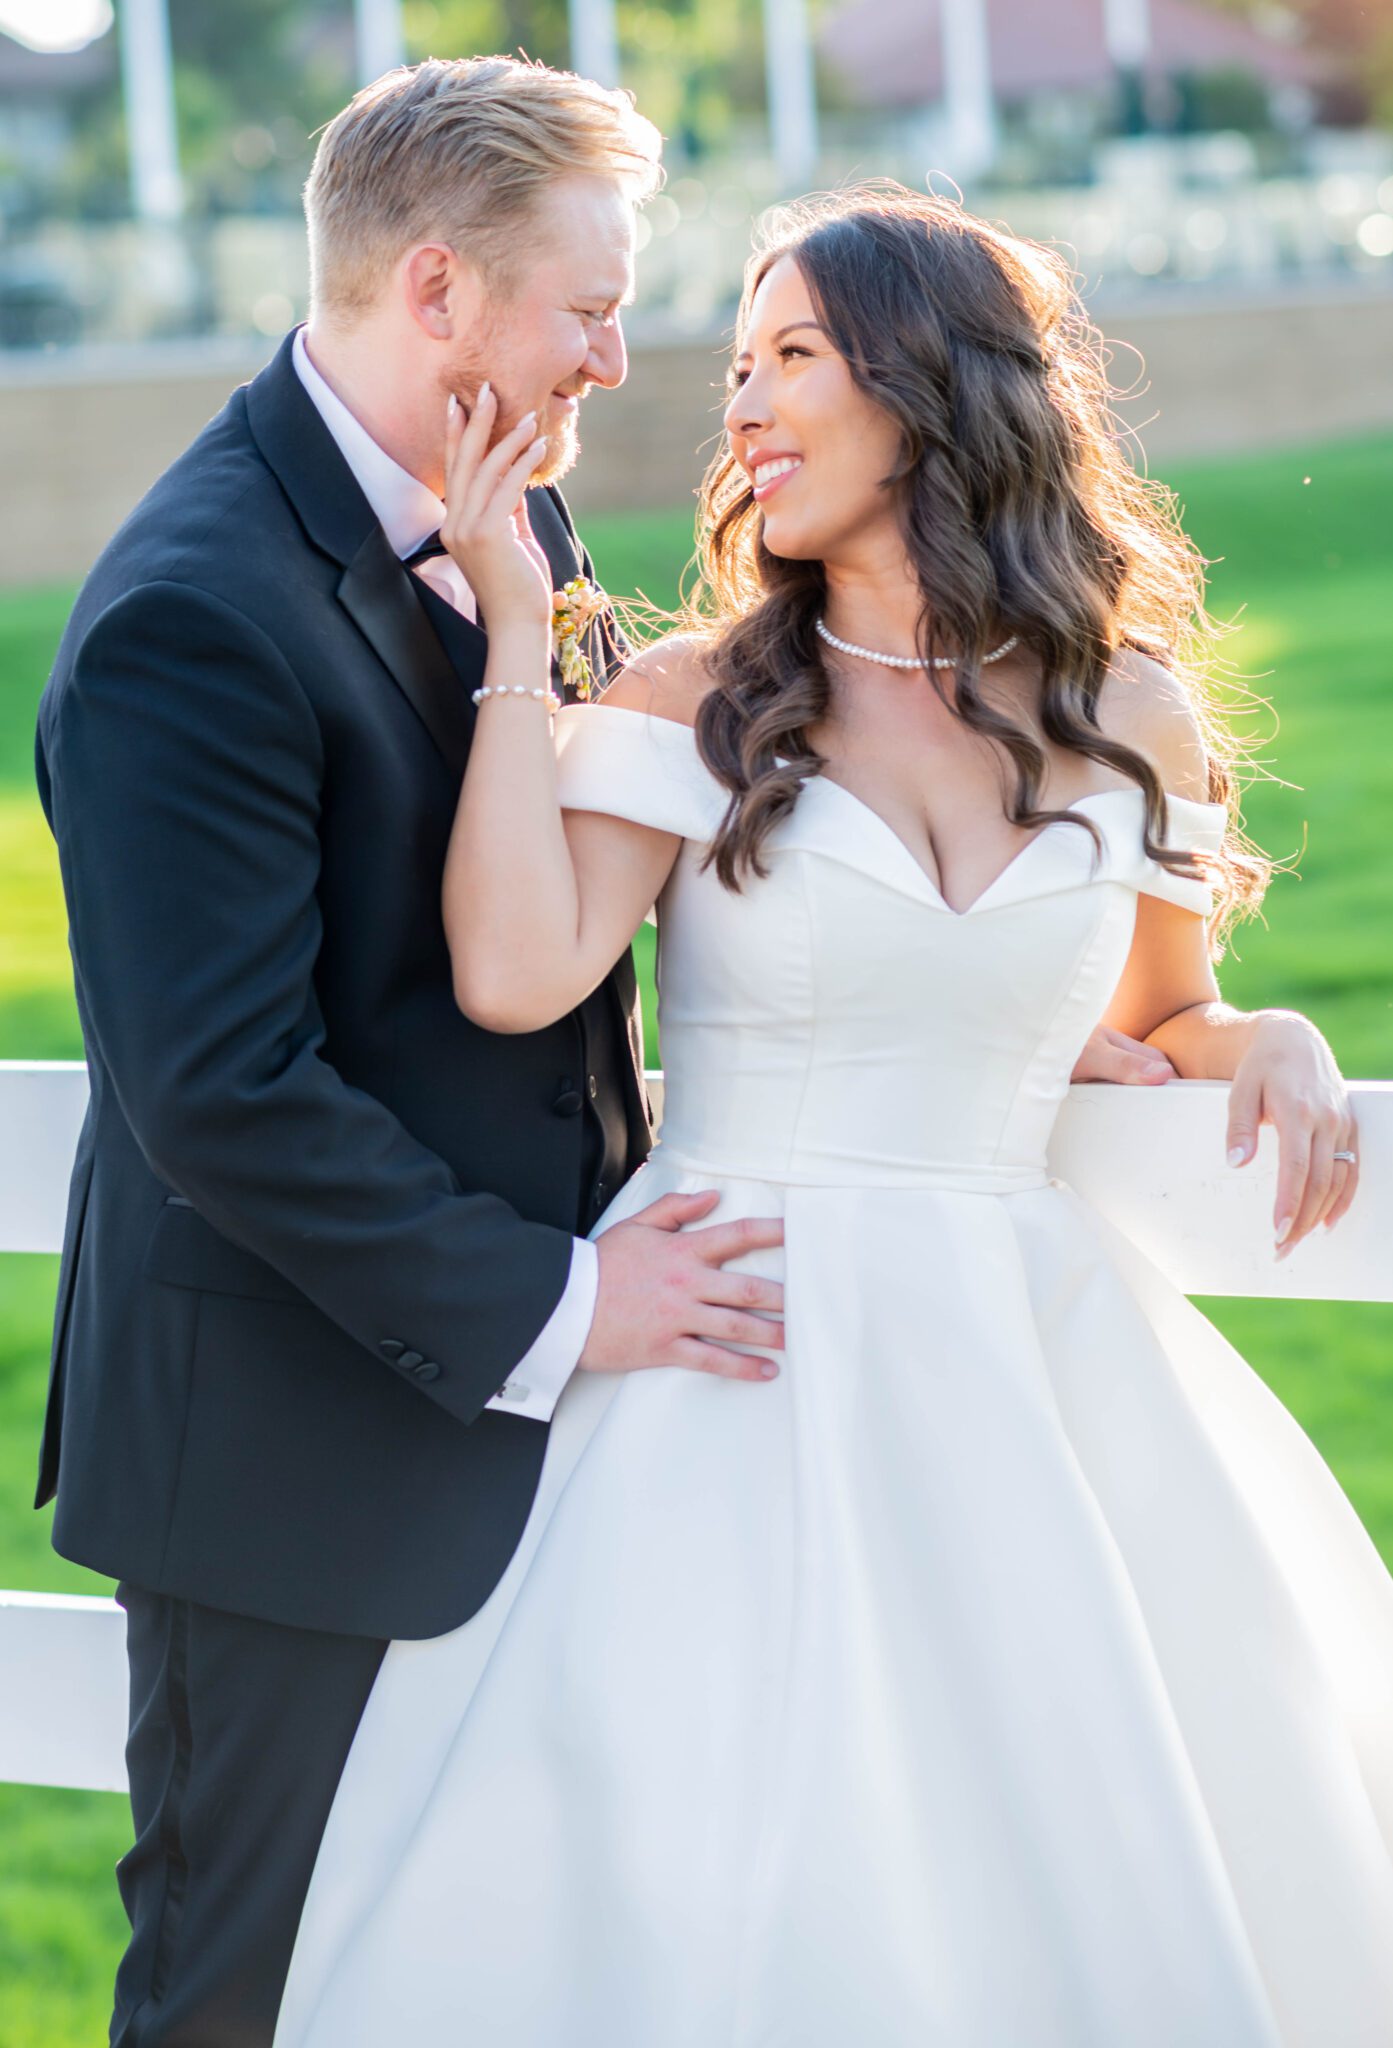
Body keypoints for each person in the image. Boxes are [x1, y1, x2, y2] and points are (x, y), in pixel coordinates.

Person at [274, 186, 1393, 2047]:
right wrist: (511, 635)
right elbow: (516, 968)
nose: (741, 404)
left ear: (928, 385)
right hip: (731, 1338)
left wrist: (1259, 1034)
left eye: (789, 354)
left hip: (1022, 1359)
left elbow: (1161, 1007)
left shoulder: (1132, 712)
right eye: (735, 364)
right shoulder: (693, 698)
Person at [33, 57, 811, 2048]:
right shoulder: (188, 615)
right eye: (589, 304)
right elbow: (219, 1095)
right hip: (290, 1464)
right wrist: (569, 1301)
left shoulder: (500, 503)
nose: (621, 358)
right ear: (440, 293)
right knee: (243, 1990)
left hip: (518, 1442)